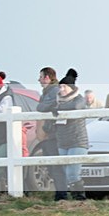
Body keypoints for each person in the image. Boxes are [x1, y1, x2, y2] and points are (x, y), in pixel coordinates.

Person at [35, 67, 69, 200]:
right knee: (52, 166)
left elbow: (44, 107)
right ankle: (60, 193)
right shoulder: (48, 91)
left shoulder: (54, 90)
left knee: (56, 166)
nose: (39, 80)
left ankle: (61, 195)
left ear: (47, 77)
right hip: (49, 134)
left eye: (41, 77)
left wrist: (41, 107)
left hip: (52, 134)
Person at [55, 69, 88, 200]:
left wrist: (57, 109)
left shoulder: (79, 99)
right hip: (62, 142)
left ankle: (80, 198)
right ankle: (75, 198)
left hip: (77, 141)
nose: (61, 89)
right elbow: (41, 107)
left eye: (64, 86)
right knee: (67, 172)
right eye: (60, 86)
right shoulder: (57, 101)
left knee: (73, 173)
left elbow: (75, 107)